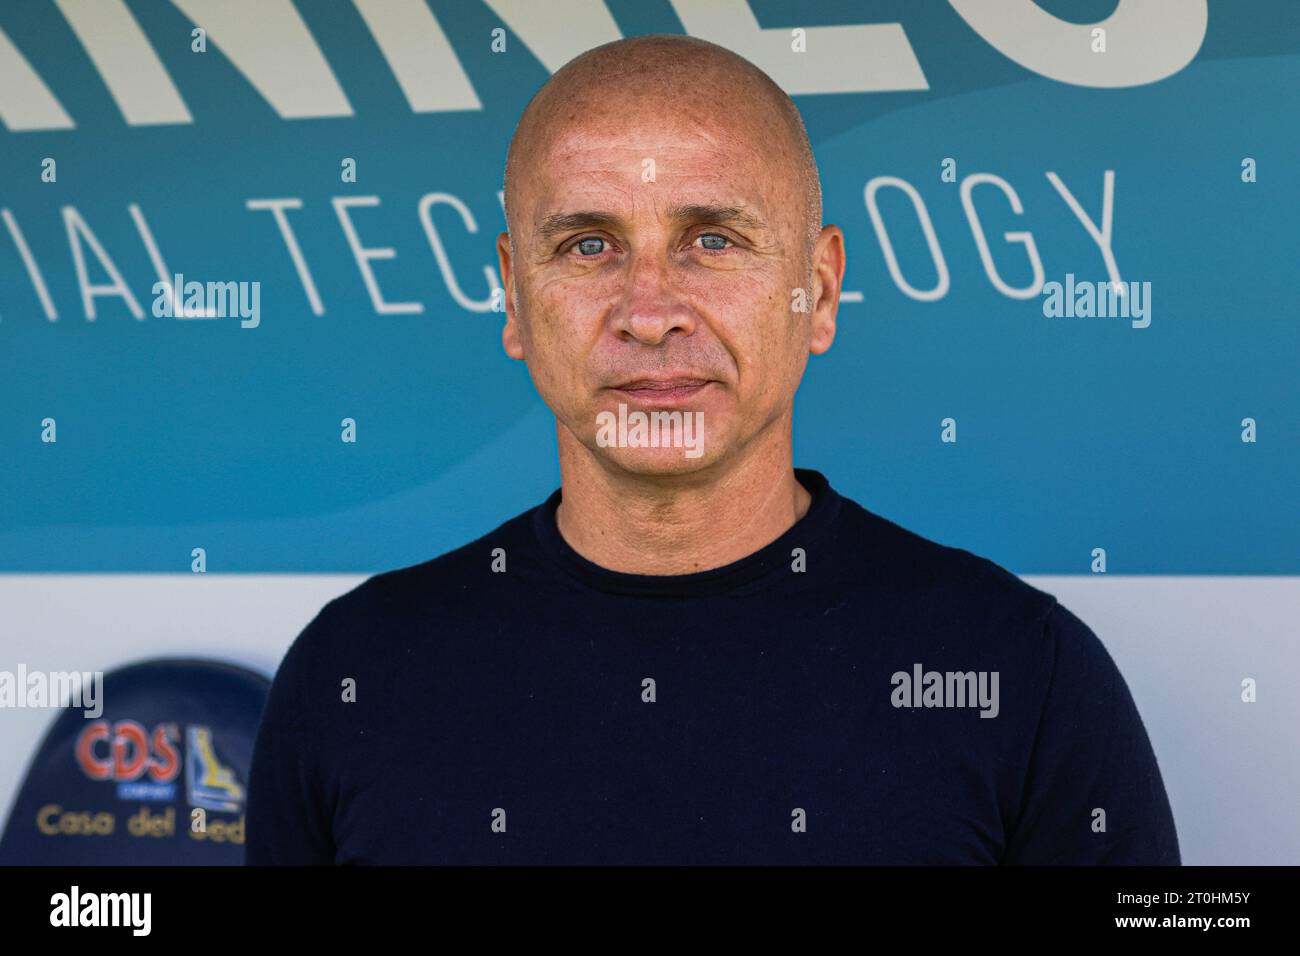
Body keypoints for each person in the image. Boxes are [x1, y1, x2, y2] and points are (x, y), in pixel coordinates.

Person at [245, 34, 1179, 865]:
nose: (650, 314)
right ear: (513, 300)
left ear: (819, 289)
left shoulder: (1024, 675)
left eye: (714, 240)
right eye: (587, 246)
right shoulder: (353, 674)